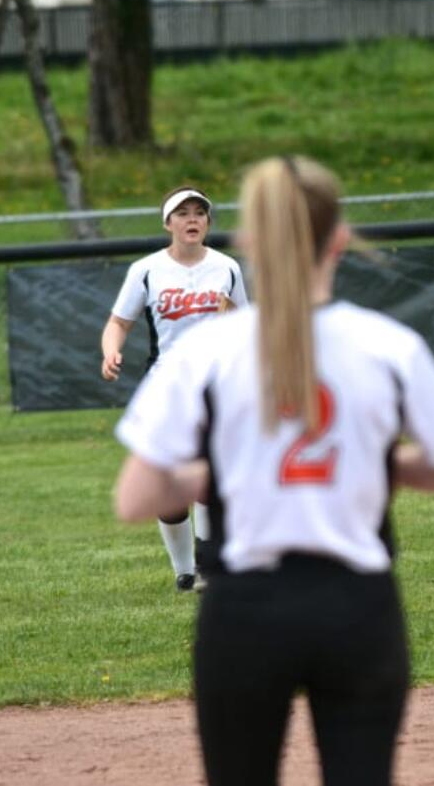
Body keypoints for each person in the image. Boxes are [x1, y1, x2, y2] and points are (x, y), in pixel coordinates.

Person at [112, 155, 434, 786]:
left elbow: (137, 495)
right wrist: (370, 462)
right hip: (358, 606)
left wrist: (229, 470)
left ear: (250, 245)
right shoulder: (387, 344)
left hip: (246, 608)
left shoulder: (203, 351)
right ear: (339, 240)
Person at [100, 185, 249, 592]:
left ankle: (207, 565)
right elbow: (118, 322)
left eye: (199, 213)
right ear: (168, 223)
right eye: (182, 213)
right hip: (165, 387)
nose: (193, 219)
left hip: (214, 385)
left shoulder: (226, 268)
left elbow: (243, 323)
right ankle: (185, 570)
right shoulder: (147, 270)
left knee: (205, 473)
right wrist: (111, 352)